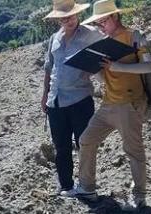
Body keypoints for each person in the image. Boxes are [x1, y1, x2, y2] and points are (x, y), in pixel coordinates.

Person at [76, 0, 151, 210]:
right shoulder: (104, 43)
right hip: (108, 104)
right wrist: (96, 70)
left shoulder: (134, 36)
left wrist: (118, 66)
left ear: (113, 17)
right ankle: (86, 187)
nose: (100, 26)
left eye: (102, 21)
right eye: (98, 23)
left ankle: (139, 195)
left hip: (129, 104)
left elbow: (150, 65)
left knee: (133, 150)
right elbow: (107, 76)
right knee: (86, 140)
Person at [42, 0, 105, 198]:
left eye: (70, 15)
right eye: (63, 17)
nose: (67, 20)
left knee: (84, 144)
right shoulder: (55, 38)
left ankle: (87, 187)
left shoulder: (90, 34)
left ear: (77, 14)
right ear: (58, 19)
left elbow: (109, 48)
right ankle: (66, 186)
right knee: (61, 146)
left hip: (80, 98)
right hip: (56, 101)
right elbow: (49, 68)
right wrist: (45, 95)